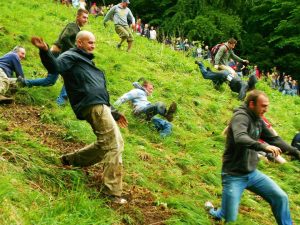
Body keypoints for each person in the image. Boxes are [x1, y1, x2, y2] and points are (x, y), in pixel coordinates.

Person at [31, 31, 128, 204]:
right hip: (92, 105)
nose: (93, 45)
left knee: (106, 144)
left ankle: (69, 160)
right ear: (79, 43)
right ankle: (112, 193)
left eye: (94, 42)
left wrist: (114, 112)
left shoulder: (87, 61)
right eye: (89, 42)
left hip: (99, 104)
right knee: (114, 145)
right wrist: (45, 51)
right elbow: (55, 67)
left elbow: (98, 91)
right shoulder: (70, 56)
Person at [205, 90, 300, 224]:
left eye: (267, 106)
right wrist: (264, 147)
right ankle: (214, 211)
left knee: (281, 197)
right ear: (251, 104)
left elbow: (274, 139)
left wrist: (295, 152)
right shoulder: (240, 117)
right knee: (230, 219)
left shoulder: (258, 119)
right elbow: (240, 137)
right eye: (263, 106)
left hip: (252, 174)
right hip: (233, 175)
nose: (266, 109)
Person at [18, 9, 89, 106]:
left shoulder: (76, 28)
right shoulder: (73, 26)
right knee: (71, 77)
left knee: (50, 81)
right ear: (77, 17)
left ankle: (25, 82)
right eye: (84, 17)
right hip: (58, 54)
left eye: (87, 18)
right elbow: (64, 37)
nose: (86, 20)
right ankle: (60, 102)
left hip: (57, 54)